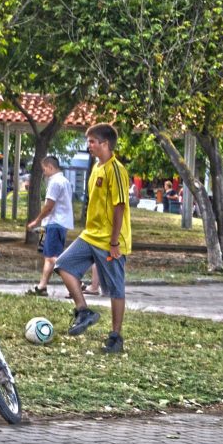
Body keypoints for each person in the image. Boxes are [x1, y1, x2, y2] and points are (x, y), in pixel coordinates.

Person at [54, 123, 131, 354]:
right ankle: (83, 311)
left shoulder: (116, 170)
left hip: (110, 240)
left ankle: (116, 337)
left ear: (105, 144)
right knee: (63, 265)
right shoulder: (96, 167)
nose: (88, 145)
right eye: (88, 141)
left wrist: (114, 242)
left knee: (116, 289)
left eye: (92, 142)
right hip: (90, 235)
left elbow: (119, 207)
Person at [25, 155, 74, 296]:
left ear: (51, 167)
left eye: (44, 169)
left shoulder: (55, 182)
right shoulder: (65, 181)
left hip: (54, 223)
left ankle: (76, 282)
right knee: (48, 256)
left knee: (53, 258)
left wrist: (36, 221)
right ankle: (42, 286)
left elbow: (49, 207)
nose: (44, 172)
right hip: (57, 224)